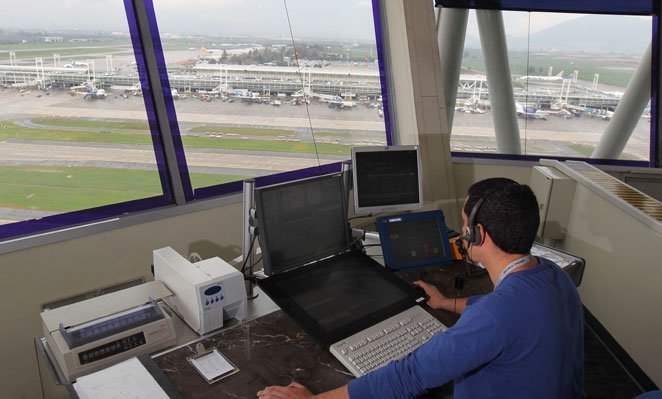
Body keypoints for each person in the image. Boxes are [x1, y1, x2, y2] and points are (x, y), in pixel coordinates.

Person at [257, 177, 584, 399]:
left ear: (477, 235)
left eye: (465, 223)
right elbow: (509, 312)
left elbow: (409, 376)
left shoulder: (498, 316)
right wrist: (447, 303)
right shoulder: (553, 275)